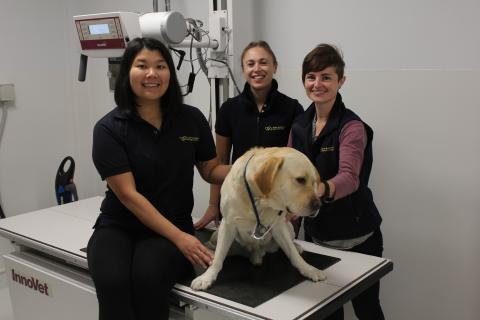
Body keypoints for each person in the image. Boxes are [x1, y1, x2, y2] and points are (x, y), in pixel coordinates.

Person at [87, 37, 230, 320]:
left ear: (170, 74)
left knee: (148, 279)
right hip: (119, 226)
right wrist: (182, 239)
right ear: (127, 73)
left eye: (160, 66)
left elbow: (210, 170)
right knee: (113, 285)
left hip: (171, 225)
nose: (152, 74)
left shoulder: (191, 119)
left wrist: (251, 168)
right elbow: (128, 196)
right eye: (142, 66)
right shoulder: (109, 128)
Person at [290, 44, 384, 319]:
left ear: (341, 81)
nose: (317, 84)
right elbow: (292, 178)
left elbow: (349, 178)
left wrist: (319, 190)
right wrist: (289, 219)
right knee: (327, 313)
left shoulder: (352, 127)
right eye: (311, 76)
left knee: (367, 309)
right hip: (318, 238)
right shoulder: (299, 126)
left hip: (359, 240)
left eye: (326, 77)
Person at [194, 40, 304, 229]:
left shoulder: (292, 109)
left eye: (263, 62)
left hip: (279, 202)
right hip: (240, 200)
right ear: (243, 69)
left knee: (276, 254)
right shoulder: (229, 109)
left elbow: (298, 163)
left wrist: (295, 203)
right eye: (250, 64)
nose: (257, 69)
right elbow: (219, 162)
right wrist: (214, 205)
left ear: (274, 66)